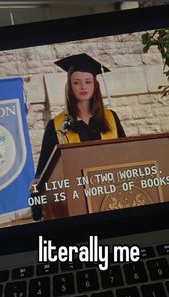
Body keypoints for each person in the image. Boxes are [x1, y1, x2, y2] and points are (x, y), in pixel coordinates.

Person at [30, 53, 125, 219]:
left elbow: (129, 156)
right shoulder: (57, 126)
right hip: (77, 204)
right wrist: (37, 188)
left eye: (88, 82)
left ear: (95, 86)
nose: (83, 87)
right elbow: (44, 173)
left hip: (113, 199)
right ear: (70, 87)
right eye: (77, 82)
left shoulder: (111, 118)